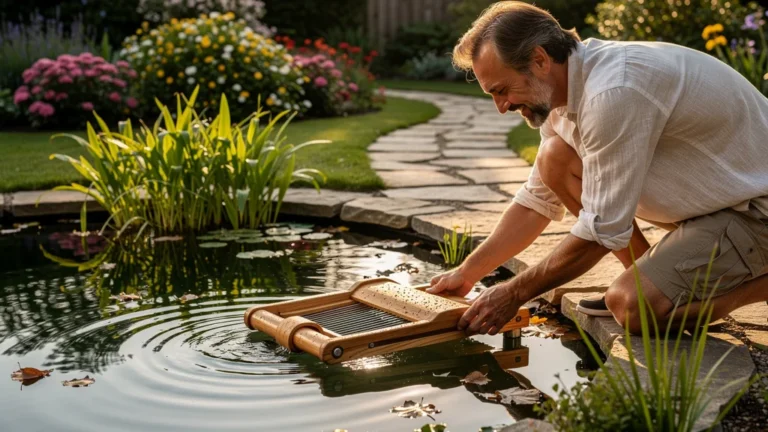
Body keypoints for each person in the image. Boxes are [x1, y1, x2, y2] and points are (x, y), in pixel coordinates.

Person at [427, 1, 768, 336]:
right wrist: (468, 272)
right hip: (717, 202)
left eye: (501, 90)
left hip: (755, 210)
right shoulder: (563, 89)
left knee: (634, 306)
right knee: (554, 158)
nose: (501, 107)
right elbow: (537, 200)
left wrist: (513, 293)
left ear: (540, 60)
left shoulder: (613, 92)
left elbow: (602, 230)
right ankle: (647, 273)